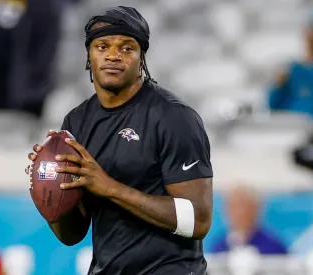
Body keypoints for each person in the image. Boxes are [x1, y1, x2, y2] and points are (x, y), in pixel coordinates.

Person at [26, 6, 214, 275]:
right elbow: (72, 235)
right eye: (102, 46)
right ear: (89, 55)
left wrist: (110, 188)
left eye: (127, 48)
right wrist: (46, 192)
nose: (113, 55)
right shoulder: (77, 121)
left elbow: (198, 220)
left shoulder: (174, 117)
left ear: (141, 58)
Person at [211, 185, 287, 255]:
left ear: (256, 209)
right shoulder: (219, 246)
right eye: (233, 206)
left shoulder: (272, 246)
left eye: (243, 206)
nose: (239, 212)